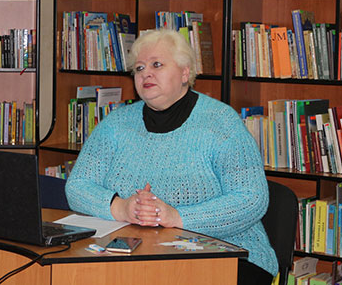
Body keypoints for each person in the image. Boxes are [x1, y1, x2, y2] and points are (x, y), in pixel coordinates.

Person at [65, 29, 277, 285]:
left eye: (157, 64)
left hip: (229, 255)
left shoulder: (221, 123)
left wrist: (177, 218)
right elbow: (77, 186)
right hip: (139, 255)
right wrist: (121, 208)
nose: (146, 74)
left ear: (185, 72)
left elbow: (251, 199)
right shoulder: (115, 125)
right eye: (139, 68)